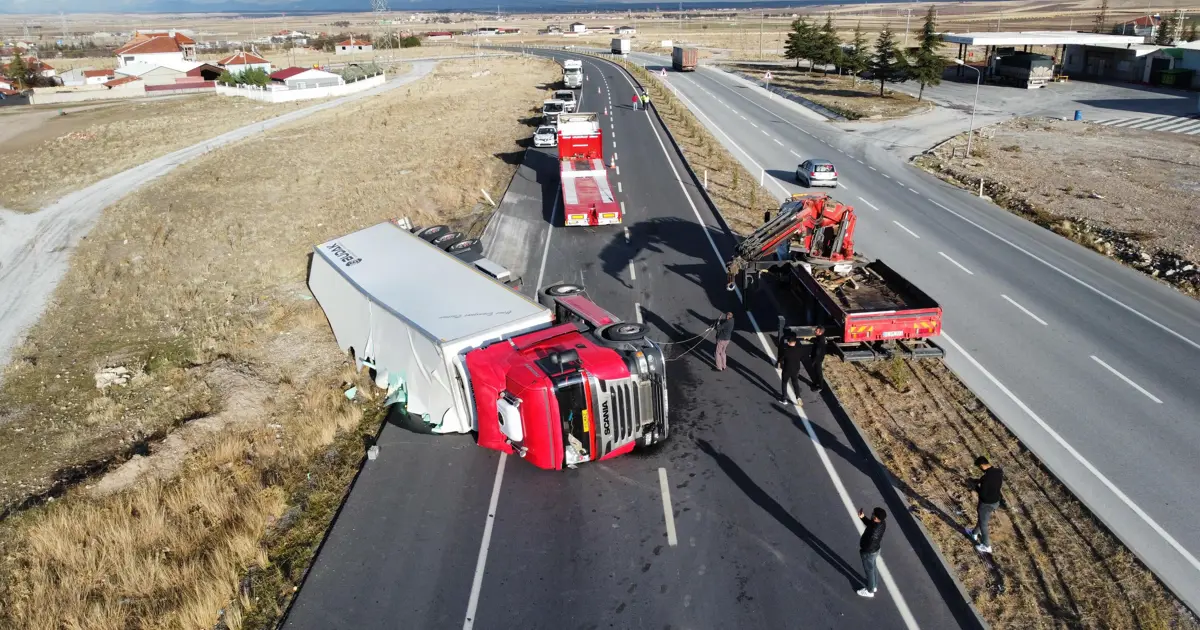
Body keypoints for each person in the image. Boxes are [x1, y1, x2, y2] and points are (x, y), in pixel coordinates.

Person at [967, 456, 1003, 553]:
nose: (979, 469)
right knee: (982, 519)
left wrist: (975, 486)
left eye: (979, 467)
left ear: (982, 466)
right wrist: (979, 481)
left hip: (986, 505)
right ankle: (974, 533)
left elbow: (983, 494)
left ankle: (986, 546)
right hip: (996, 502)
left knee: (983, 524)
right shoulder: (998, 471)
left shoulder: (986, 478)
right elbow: (991, 480)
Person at [857, 507, 887, 598]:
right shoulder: (882, 523)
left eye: (873, 514)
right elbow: (870, 524)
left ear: (876, 518)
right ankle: (874, 586)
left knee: (869, 571)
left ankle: (870, 591)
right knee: (873, 568)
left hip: (868, 553)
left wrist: (863, 550)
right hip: (876, 550)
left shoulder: (873, 533)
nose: (872, 514)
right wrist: (863, 517)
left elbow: (869, 544)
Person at [776, 336, 805, 404]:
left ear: (788, 343)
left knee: (784, 383)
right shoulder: (799, 350)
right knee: (795, 383)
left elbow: (780, 359)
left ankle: (784, 399)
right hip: (796, 370)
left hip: (787, 370)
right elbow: (802, 358)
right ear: (795, 342)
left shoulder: (786, 351)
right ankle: (798, 397)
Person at [808, 326, 827, 392]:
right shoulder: (820, 338)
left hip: (817, 359)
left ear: (820, 332)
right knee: (816, 372)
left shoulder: (820, 340)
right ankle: (815, 383)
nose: (815, 331)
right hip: (818, 358)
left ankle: (820, 386)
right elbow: (815, 341)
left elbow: (818, 352)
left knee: (819, 372)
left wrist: (814, 361)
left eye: (817, 330)